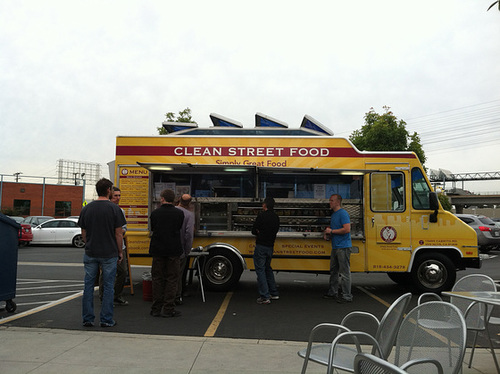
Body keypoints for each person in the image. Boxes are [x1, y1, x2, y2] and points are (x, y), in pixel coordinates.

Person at [78, 178, 126, 327]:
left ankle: (87, 318)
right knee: (108, 286)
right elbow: (119, 234)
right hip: (109, 253)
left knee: (88, 285)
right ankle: (106, 319)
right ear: (108, 190)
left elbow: (83, 232)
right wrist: (120, 251)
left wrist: (88, 244)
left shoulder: (87, 208)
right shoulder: (114, 209)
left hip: (91, 252)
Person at [149, 189, 184, 317]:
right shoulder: (179, 213)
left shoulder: (155, 213)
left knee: (157, 278)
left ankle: (156, 308)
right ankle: (168, 308)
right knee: (172, 279)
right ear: (173, 199)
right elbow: (179, 228)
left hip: (158, 249)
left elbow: (153, 228)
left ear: (162, 199)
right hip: (173, 249)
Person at [98, 187, 129, 306]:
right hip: (106, 247)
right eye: (115, 195)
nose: (118, 198)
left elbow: (124, 228)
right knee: (105, 272)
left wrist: (120, 233)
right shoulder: (104, 210)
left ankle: (117, 295)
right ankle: (103, 296)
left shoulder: (121, 211)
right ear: (110, 196)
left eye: (119, 195)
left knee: (123, 271)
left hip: (120, 247)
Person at [323, 194, 353, 303]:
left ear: (337, 202)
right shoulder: (334, 214)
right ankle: (333, 292)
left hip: (343, 247)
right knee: (333, 271)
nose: (329, 202)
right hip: (336, 246)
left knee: (345, 272)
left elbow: (347, 229)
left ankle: (347, 296)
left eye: (331, 200)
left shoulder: (343, 214)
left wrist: (331, 231)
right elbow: (336, 229)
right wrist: (328, 233)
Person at [251, 196, 280, 305]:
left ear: (265, 205)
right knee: (268, 268)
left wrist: (259, 232)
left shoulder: (261, 216)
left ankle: (265, 296)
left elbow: (253, 230)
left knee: (260, 270)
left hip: (261, 246)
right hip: (270, 246)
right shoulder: (276, 217)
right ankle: (274, 292)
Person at [175, 194, 195, 305]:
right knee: (178, 274)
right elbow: (189, 234)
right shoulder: (189, 215)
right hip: (180, 250)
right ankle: (177, 297)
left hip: (167, 248)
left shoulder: (172, 211)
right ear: (189, 203)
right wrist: (187, 251)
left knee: (167, 274)